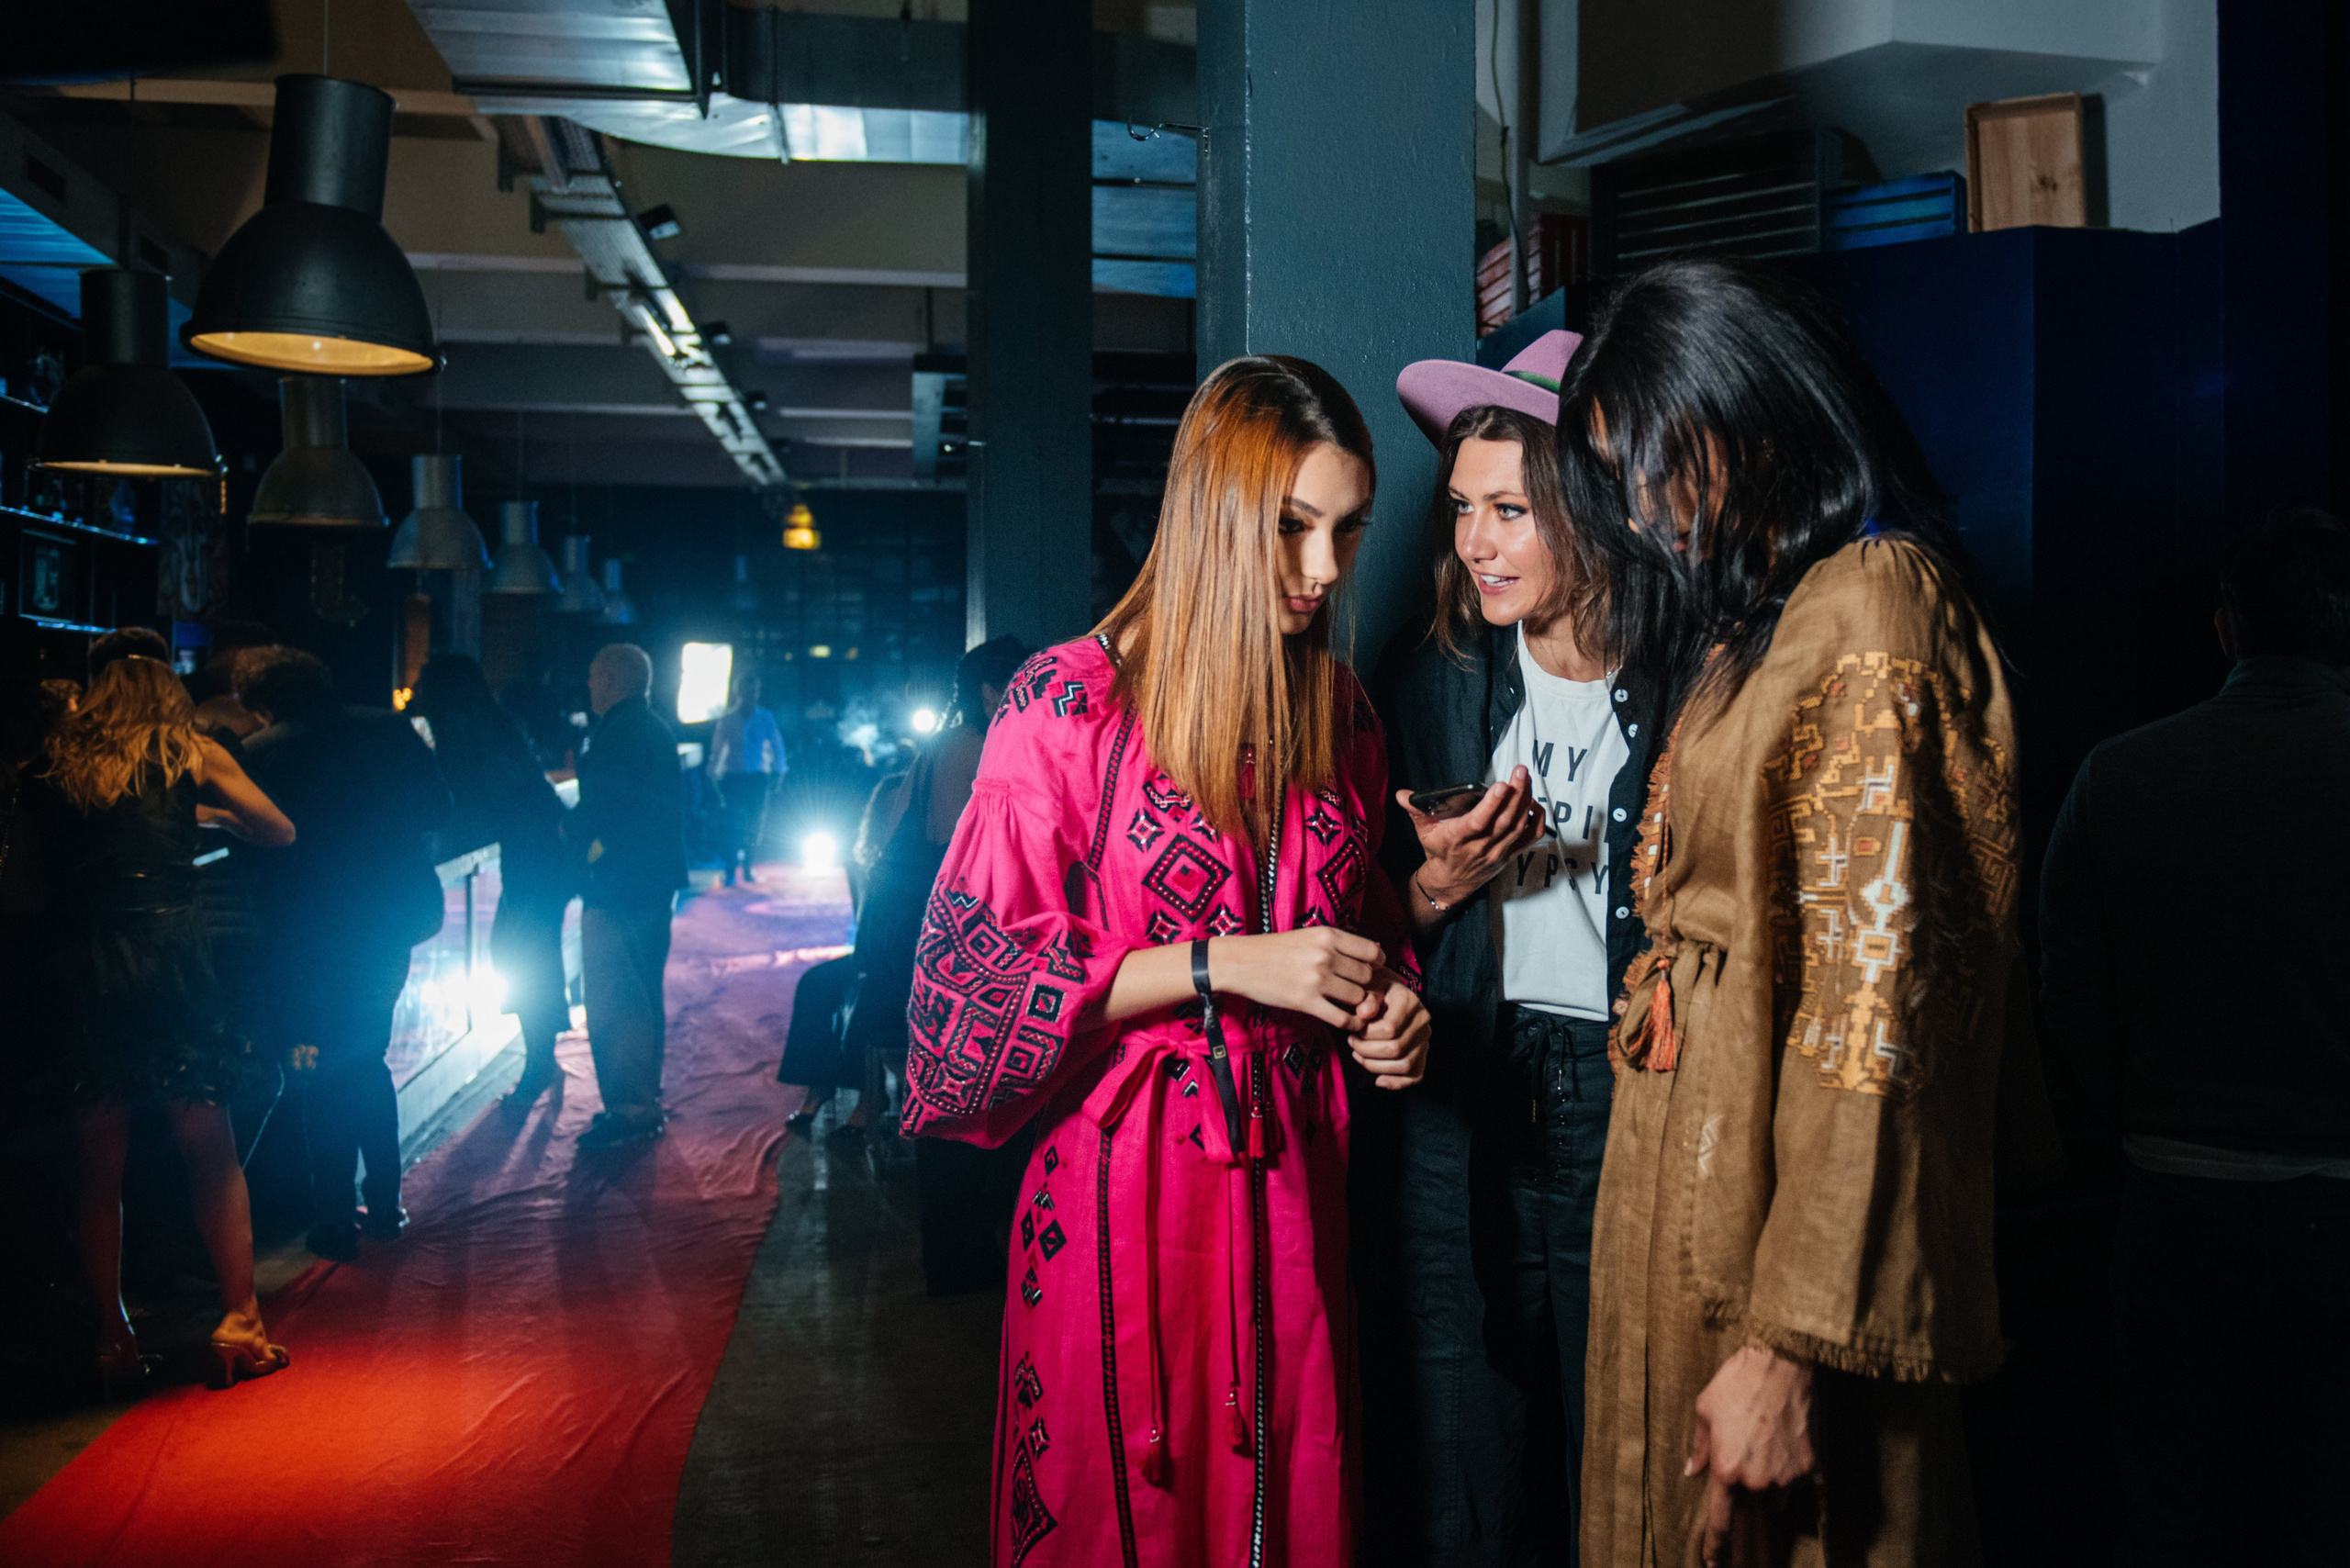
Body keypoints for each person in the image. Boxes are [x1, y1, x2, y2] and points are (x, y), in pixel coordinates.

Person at [903, 355, 1433, 1566]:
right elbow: (958, 1002)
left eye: (1348, 531)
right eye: (1291, 528)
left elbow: (1354, 941)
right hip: (1118, 1198)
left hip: (1299, 1185)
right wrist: (1220, 966)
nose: (1324, 572)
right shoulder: (1065, 707)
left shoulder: (1341, 713)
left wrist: (1390, 1010)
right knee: (1120, 1520)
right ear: (1212, 512)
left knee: (1295, 1513)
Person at [1559, 258, 2021, 1566]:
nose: (1645, 512)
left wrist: (1793, 1348)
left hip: (1777, 1235)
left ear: (1752, 408)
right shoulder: (1756, 620)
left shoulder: (1873, 605)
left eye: (1658, 461)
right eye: (1621, 474)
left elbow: (1880, 1013)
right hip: (1697, 1187)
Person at [1358, 330, 1669, 1565]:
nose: (1476, 542)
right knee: (1462, 1457)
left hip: (1631, 1094)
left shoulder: (1686, 677)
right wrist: (1432, 888)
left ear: (1593, 507)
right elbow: (1364, 920)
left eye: (1510, 510)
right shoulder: (1432, 676)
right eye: (1462, 511)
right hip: (1465, 1087)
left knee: (1624, 1450)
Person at [2040, 509, 2350, 1568]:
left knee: (2176, 1520)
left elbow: (2068, 1000)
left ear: (2225, 629)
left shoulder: (2119, 775)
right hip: (2342, 1204)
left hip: (2173, 1203)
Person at [32, 655, 297, 1389]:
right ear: (166, 694)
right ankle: (239, 1318)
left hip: (91, 961)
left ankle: (112, 1335)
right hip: (172, 957)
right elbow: (279, 831)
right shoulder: (190, 752)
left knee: (97, 1162)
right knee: (208, 1143)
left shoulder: (60, 761)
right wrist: (210, 816)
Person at [239, 648, 451, 1263]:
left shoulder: (261, 751)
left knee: (321, 1066)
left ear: (264, 703)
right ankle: (382, 1203)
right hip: (387, 920)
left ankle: (334, 1214)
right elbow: (440, 808)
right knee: (364, 1056)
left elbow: (254, 848)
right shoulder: (387, 727)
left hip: (306, 933)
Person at [847, 634, 1031, 1285]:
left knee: (958, 1075)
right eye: (1023, 686)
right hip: (922, 931)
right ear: (991, 692)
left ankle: (961, 1245)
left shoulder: (948, 742)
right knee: (958, 1077)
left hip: (906, 924)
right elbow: (958, 843)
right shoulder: (969, 744)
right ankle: (958, 1253)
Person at [411, 655, 576, 1111]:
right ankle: (543, 1057)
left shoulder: (460, 725)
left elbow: (462, 795)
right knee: (528, 951)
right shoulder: (488, 719)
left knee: (519, 953)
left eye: (423, 683)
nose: (416, 691)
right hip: (544, 847)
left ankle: (540, 1062)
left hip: (536, 851)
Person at [571, 643, 687, 1150]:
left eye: (594, 676)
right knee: (641, 991)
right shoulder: (651, 726)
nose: (589, 685)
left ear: (612, 680)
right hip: (650, 880)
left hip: (620, 884)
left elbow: (602, 808)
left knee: (617, 998)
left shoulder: (617, 734)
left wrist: (565, 834)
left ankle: (630, 1108)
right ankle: (642, 1098)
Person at [708, 671, 785, 886]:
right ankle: (730, 868)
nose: (752, 694)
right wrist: (713, 775)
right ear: (738, 692)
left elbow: (777, 745)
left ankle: (748, 867)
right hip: (734, 779)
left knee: (755, 824)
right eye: (748, 690)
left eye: (755, 691)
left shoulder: (765, 717)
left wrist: (779, 771)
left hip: (757, 779)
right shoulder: (728, 720)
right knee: (732, 825)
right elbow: (717, 750)